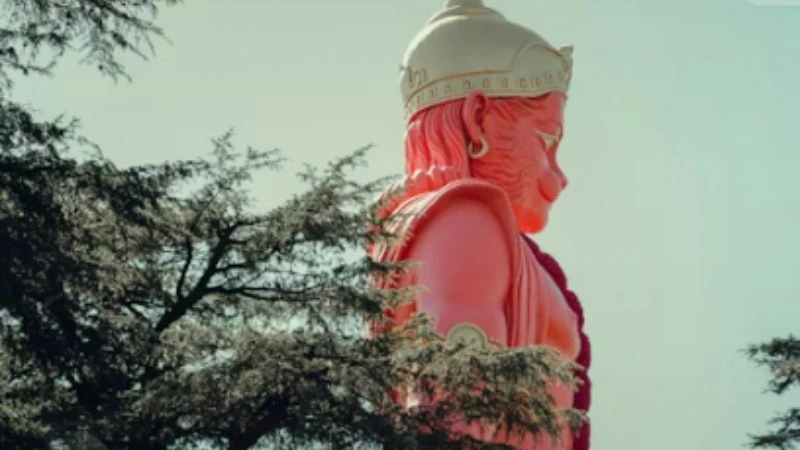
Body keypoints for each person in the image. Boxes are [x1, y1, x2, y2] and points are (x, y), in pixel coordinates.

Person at [370, 1, 591, 448]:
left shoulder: (448, 229)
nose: (559, 175)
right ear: (476, 121)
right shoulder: (464, 223)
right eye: (546, 140)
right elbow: (455, 412)